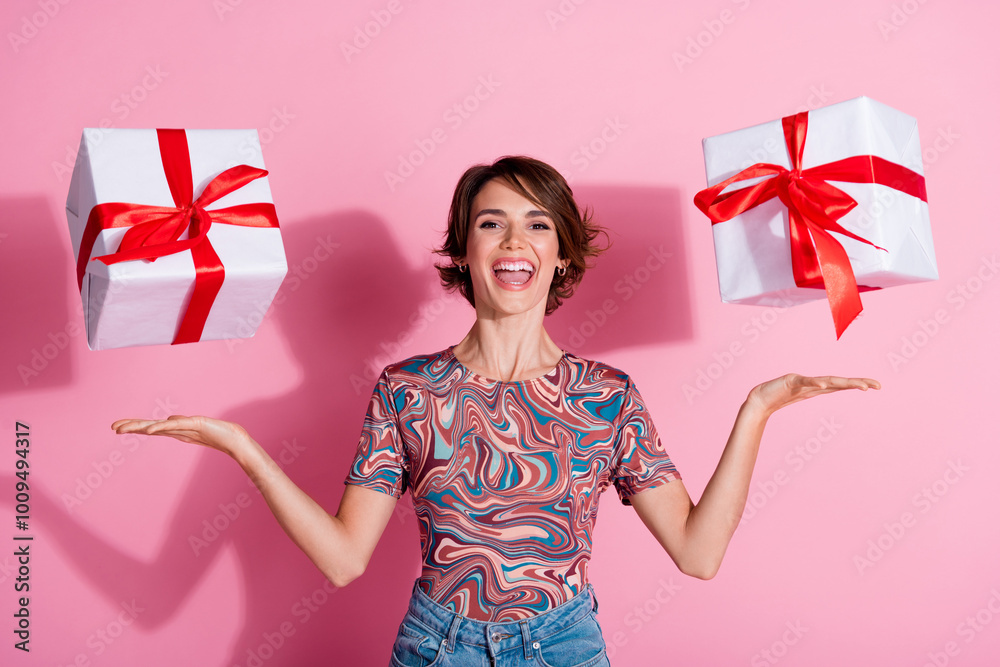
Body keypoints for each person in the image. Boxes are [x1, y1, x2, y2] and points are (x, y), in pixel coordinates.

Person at [113, 156, 880, 666]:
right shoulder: (407, 391)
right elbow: (346, 560)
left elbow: (697, 552)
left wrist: (756, 411)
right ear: (465, 251)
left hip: (565, 644)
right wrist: (244, 448)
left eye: (537, 223)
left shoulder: (605, 394)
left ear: (561, 255)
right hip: (434, 646)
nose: (515, 239)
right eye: (491, 222)